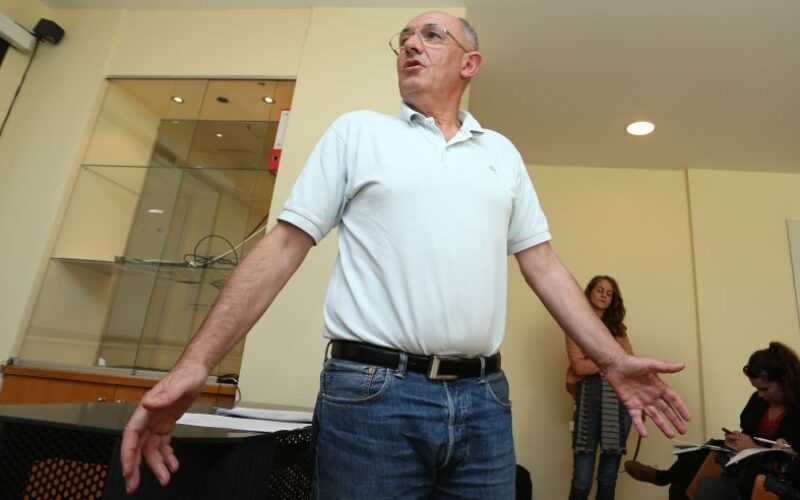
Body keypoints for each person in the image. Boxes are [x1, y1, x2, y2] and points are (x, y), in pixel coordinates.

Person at [120, 10, 691, 498]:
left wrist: (611, 360)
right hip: (372, 399)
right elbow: (283, 248)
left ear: (470, 63)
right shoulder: (357, 133)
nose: (411, 44)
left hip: (484, 401)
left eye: (432, 35)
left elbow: (542, 265)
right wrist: (196, 362)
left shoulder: (501, 154)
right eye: (405, 38)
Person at [625, 342, 800, 499]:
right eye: (756, 389)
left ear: (784, 381)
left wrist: (756, 448)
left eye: (765, 389)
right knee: (703, 453)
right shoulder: (758, 401)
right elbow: (749, 432)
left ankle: (664, 477)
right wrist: (738, 439)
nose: (760, 395)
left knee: (721, 476)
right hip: (748, 461)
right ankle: (663, 477)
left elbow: (791, 459)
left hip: (777, 473)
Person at [566, 276, 634, 500]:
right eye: (600, 290)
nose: (604, 295)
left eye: (609, 293)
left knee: (608, 478)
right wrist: (612, 360)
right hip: (589, 404)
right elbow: (579, 367)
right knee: (582, 479)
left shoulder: (618, 329)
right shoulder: (574, 326)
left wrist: (599, 362)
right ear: (589, 293)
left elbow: (629, 363)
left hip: (619, 407)